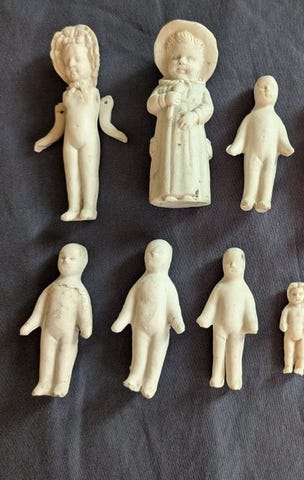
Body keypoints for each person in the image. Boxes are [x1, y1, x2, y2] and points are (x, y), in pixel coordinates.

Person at [34, 24, 127, 221]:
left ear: (91, 62)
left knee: (88, 174)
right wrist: (46, 140)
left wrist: (117, 133)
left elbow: (104, 122)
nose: (72, 65)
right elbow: (59, 126)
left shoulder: (94, 93)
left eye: (78, 59)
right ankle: (73, 207)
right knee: (71, 175)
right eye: (67, 62)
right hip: (69, 142)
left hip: (89, 141)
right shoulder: (66, 96)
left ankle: (89, 208)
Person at [147, 20, 218, 207]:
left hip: (192, 137)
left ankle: (192, 192)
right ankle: (167, 192)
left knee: (190, 163)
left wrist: (194, 116)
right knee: (169, 163)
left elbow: (208, 108)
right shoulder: (164, 87)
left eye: (190, 58)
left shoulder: (200, 89)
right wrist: (165, 99)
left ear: (201, 65)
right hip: (167, 137)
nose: (182, 62)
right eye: (176, 57)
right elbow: (151, 105)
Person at [111, 240, 185, 399]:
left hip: (160, 331)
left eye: (159, 252)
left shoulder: (167, 285)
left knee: (156, 357)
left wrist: (176, 320)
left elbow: (173, 306)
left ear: (168, 259)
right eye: (150, 252)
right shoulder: (140, 283)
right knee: (139, 352)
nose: (154, 254)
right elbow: (130, 304)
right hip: (139, 328)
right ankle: (135, 375)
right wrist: (122, 320)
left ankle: (151, 382)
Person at [20, 244, 92, 397]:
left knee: (65, 357)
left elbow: (84, 310)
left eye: (72, 258)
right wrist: (30, 324)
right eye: (62, 257)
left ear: (83, 263)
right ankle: (43, 383)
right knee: (46, 356)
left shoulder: (80, 291)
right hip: (48, 331)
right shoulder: (51, 288)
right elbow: (40, 309)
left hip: (68, 334)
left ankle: (61, 384)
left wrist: (86, 328)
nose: (65, 261)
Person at [226, 75, 294, 213]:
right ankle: (248, 197)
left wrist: (286, 147)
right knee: (251, 173)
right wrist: (236, 147)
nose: (267, 90)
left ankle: (265, 199)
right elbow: (242, 134)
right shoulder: (250, 117)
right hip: (253, 153)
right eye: (263, 87)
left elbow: (281, 136)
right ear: (255, 92)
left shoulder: (276, 119)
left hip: (271, 155)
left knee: (268, 175)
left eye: (271, 87)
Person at [197, 248, 258, 390]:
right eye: (228, 262)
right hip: (220, 328)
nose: (232, 265)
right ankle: (217, 376)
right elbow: (212, 304)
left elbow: (249, 309)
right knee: (218, 354)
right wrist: (206, 317)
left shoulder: (245, 291)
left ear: (243, 265)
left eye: (235, 262)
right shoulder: (220, 287)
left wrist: (251, 323)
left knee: (235, 355)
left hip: (237, 330)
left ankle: (234, 378)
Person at [279, 282, 304, 376]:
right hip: (289, 335)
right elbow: (283, 320)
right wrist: (283, 324)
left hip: (303, 335)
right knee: (288, 352)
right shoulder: (287, 309)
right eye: (294, 294)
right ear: (289, 295)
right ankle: (288, 366)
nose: (297, 296)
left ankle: (300, 367)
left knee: (302, 353)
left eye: (300, 294)